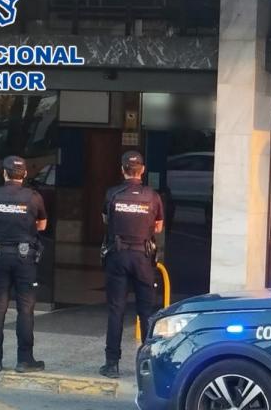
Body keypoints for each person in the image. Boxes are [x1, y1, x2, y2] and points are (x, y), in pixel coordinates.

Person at [99, 150, 164, 379]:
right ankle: (147, 365)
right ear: (143, 170)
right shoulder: (152, 196)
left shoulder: (112, 194)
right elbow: (158, 227)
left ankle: (111, 363)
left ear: (122, 170)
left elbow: (106, 221)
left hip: (117, 256)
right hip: (143, 258)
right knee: (146, 312)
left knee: (116, 310)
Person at [0, 155, 48, 374]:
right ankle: (24, 359)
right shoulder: (33, 197)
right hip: (24, 258)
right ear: (25, 174)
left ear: (4, 173)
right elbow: (42, 225)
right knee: (25, 309)